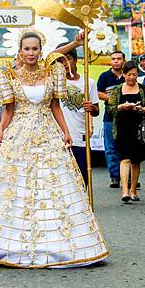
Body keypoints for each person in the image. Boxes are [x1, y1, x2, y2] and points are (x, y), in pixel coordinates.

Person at [0, 30, 108, 268]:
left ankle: (57, 244)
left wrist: (65, 130)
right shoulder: (9, 74)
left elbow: (56, 105)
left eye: (35, 49)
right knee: (12, 184)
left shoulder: (52, 72)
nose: (31, 53)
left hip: (48, 132)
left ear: (40, 50)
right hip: (18, 133)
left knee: (52, 183)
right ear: (20, 50)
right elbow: (9, 109)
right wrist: (2, 130)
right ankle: (7, 242)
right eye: (27, 49)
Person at [108, 61, 145, 203]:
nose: (131, 77)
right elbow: (110, 109)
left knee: (136, 160)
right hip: (122, 128)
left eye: (134, 75)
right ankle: (124, 190)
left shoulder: (143, 89)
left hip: (139, 128)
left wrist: (143, 109)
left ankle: (133, 189)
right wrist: (120, 107)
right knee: (124, 158)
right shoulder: (117, 90)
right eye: (128, 74)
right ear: (123, 74)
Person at [58, 46, 99, 186]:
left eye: (67, 59)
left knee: (82, 178)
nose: (64, 64)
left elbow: (96, 110)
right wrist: (75, 42)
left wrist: (91, 107)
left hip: (79, 137)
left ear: (75, 60)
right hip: (58, 138)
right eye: (60, 61)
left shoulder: (89, 82)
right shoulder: (53, 82)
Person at [97, 51, 125, 188]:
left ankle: (129, 177)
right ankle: (115, 177)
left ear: (123, 60)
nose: (116, 61)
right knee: (110, 149)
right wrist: (114, 99)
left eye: (119, 59)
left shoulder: (128, 76)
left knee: (126, 146)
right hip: (109, 117)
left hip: (127, 117)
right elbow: (98, 93)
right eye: (113, 59)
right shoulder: (104, 76)